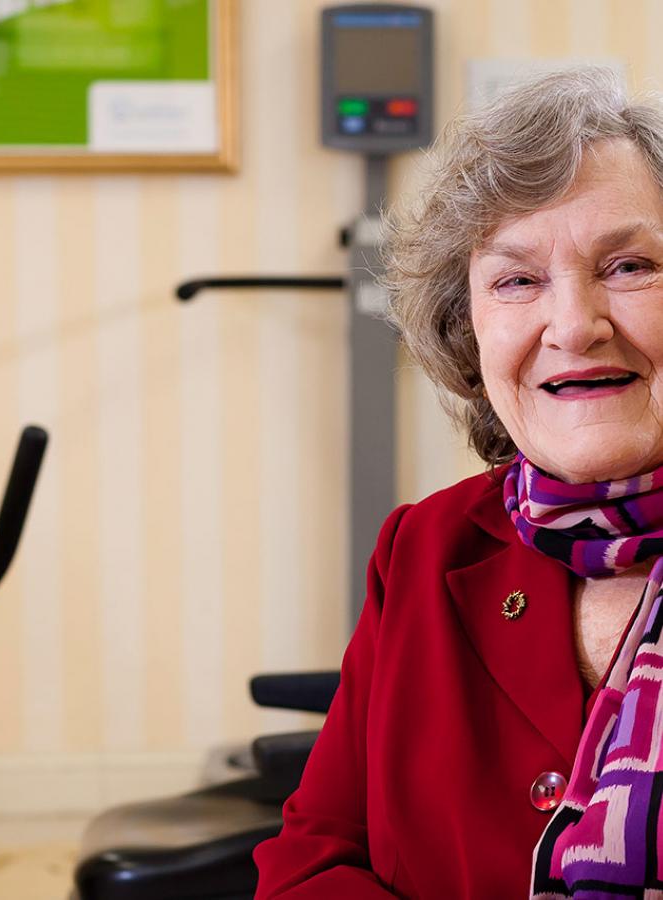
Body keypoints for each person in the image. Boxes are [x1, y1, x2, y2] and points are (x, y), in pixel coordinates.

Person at [253, 67, 663, 899]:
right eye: (516, 281)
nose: (573, 325)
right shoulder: (423, 547)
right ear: (466, 330)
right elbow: (313, 857)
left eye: (628, 266)